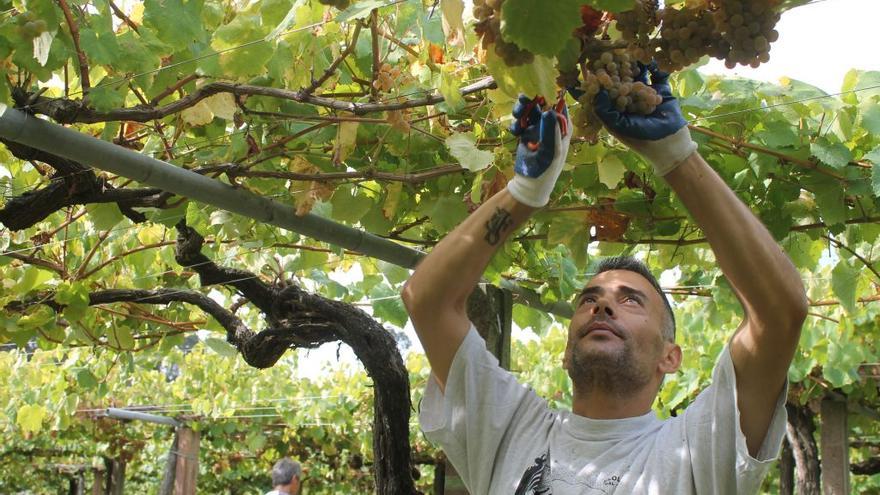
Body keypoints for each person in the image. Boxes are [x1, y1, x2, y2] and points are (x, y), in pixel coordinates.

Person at [401, 64, 807, 494]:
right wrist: (524, 193)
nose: (603, 305)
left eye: (631, 300)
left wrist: (677, 157)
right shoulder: (509, 427)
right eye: (589, 298)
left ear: (670, 358)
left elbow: (779, 313)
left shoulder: (697, 449)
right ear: (565, 353)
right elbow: (426, 299)